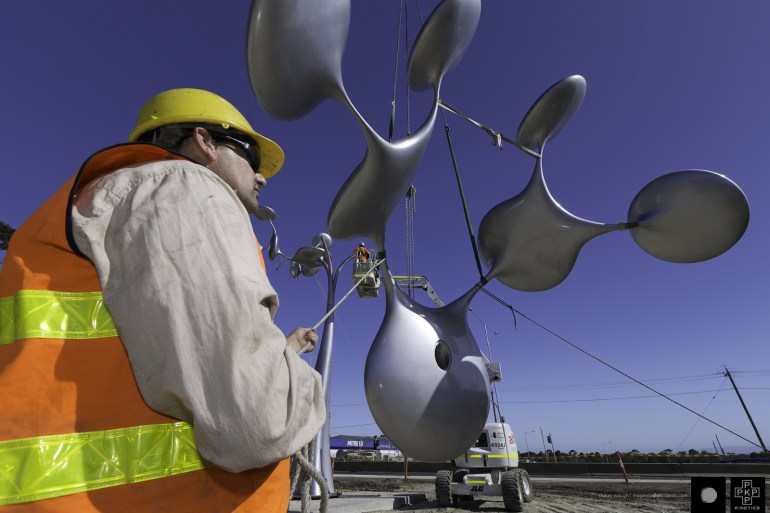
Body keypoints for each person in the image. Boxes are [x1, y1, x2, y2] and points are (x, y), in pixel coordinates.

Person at [0, 88, 326, 512]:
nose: (261, 177)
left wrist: (285, 349)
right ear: (204, 142)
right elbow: (259, 421)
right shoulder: (183, 188)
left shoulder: (103, 204)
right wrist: (303, 385)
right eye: (250, 155)